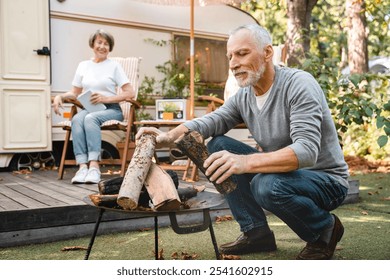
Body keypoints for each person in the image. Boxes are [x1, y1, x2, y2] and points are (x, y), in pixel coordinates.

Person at [136, 23, 349, 260]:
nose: (233, 63)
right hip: (285, 177)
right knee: (217, 145)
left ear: (267, 53)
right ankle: (256, 232)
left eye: (242, 53)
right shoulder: (245, 97)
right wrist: (167, 137)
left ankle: (324, 229)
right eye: (230, 56)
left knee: (266, 185)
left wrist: (244, 163)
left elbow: (307, 151)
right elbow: (213, 120)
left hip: (326, 181)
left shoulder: (299, 84)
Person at [53, 29, 136, 184]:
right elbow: (75, 92)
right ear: (93, 44)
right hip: (90, 108)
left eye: (106, 44)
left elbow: (130, 92)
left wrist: (107, 98)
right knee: (77, 119)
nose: (102, 46)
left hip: (112, 109)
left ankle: (94, 166)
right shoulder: (83, 66)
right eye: (99, 42)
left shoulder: (114, 66)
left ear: (110, 48)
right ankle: (82, 166)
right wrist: (60, 97)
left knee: (90, 119)